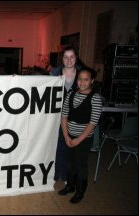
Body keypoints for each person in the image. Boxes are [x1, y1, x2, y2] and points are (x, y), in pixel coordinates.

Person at [58, 67, 102, 204]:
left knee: (80, 164)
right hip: (69, 136)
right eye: (80, 79)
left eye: (86, 79)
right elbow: (64, 115)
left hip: (84, 139)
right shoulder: (71, 94)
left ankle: (80, 191)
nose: (82, 82)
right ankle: (70, 186)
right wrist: (66, 136)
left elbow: (92, 123)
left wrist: (78, 140)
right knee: (70, 163)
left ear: (92, 81)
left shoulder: (95, 98)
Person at [50, 46, 83, 182]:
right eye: (66, 57)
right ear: (61, 59)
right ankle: (58, 174)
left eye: (72, 57)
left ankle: (68, 175)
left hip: (75, 118)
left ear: (76, 58)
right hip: (56, 117)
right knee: (58, 146)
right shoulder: (54, 73)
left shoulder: (82, 74)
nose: (69, 60)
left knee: (72, 148)